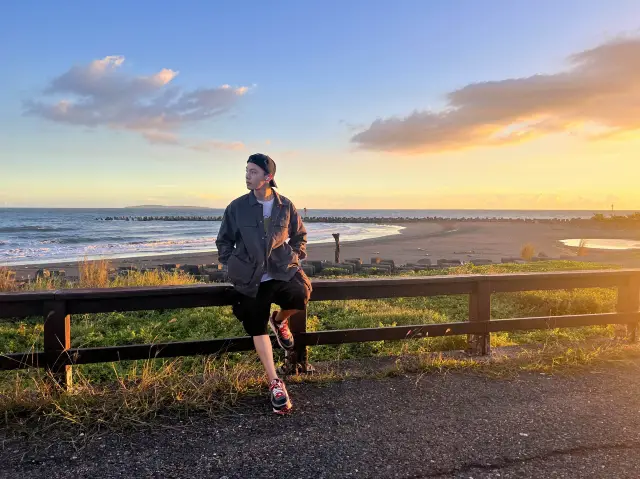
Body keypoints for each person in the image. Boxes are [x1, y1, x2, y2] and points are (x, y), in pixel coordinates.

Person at [216, 153, 312, 414]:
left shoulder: (285, 206)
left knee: (300, 294)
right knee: (256, 325)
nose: (247, 176)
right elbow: (223, 240)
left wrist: (295, 254)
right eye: (246, 171)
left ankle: (279, 321)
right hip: (251, 278)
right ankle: (275, 382)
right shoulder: (236, 207)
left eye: (253, 172)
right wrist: (232, 263)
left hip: (280, 271)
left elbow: (299, 234)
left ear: (268, 177)